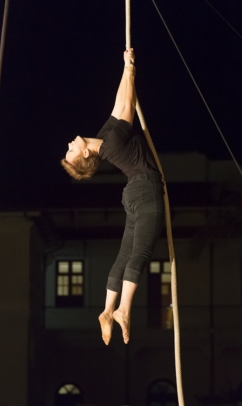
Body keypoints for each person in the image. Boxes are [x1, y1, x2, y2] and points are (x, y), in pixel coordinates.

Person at [61, 49, 165, 345]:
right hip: (145, 190)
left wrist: (124, 67)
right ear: (84, 154)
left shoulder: (106, 138)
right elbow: (129, 105)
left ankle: (107, 310)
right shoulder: (113, 144)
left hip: (134, 191)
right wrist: (131, 69)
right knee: (140, 254)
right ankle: (123, 310)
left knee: (124, 254)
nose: (68, 144)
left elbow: (119, 104)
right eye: (70, 150)